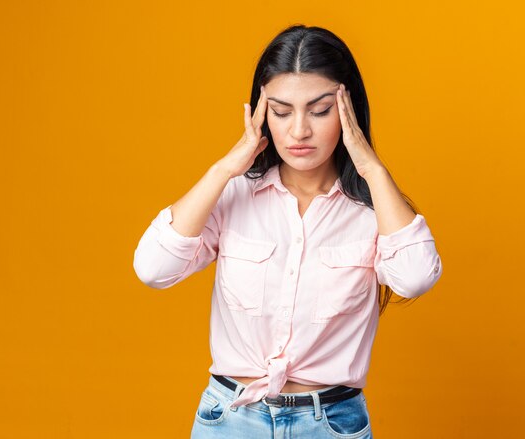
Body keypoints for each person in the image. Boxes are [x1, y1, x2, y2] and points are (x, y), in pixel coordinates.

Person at [133, 24, 443, 438]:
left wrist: (372, 169)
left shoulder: (374, 212)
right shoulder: (233, 196)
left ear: (348, 110)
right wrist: (224, 170)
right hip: (229, 421)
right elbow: (152, 268)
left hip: (331, 425)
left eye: (319, 110)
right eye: (281, 112)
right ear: (261, 114)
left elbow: (416, 277)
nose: (299, 131)